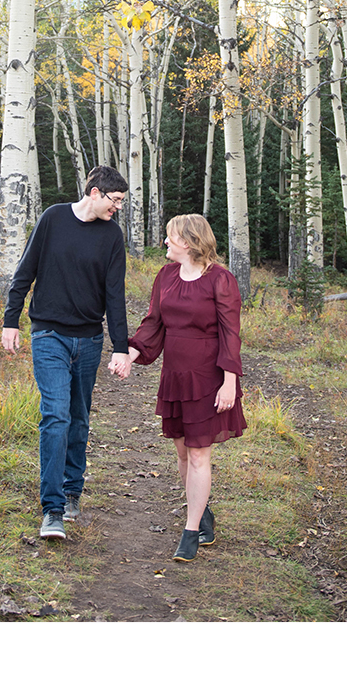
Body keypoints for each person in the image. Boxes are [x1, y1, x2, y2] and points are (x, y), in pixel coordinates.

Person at [1, 165, 132, 541]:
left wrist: (121, 347)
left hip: (88, 341)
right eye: (115, 200)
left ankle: (73, 489)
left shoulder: (112, 236)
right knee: (55, 415)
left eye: (121, 202)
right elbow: (24, 272)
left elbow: (115, 296)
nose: (117, 208)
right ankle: (53, 509)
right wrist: (11, 319)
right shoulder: (53, 219)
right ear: (94, 192)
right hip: (49, 335)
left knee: (78, 418)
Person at [122, 213, 247, 561]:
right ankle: (202, 511)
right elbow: (152, 325)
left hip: (208, 376)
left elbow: (230, 334)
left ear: (189, 242)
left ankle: (190, 532)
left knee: (198, 453)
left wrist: (230, 381)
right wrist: (129, 354)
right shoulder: (165, 276)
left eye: (170, 237)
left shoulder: (220, 279)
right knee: (181, 452)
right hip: (175, 375)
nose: (165, 242)